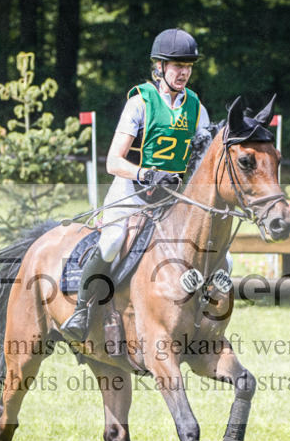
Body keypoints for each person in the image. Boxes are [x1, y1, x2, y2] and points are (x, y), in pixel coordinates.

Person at [61, 28, 213, 343]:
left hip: (172, 196)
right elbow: (113, 162)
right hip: (132, 190)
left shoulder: (196, 107)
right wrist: (145, 173)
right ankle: (82, 308)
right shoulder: (141, 102)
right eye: (176, 65)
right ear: (159, 67)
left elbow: (203, 159)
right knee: (114, 240)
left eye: (188, 66)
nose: (183, 72)